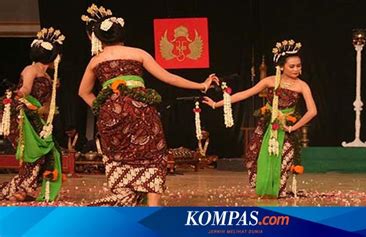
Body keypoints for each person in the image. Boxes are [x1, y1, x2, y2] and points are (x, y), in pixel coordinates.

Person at [78, 4, 218, 206]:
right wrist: (201, 85)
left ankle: (124, 201)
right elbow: (169, 78)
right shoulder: (138, 53)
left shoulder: (95, 60)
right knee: (152, 156)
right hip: (141, 112)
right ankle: (152, 209)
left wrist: (103, 108)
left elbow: (83, 92)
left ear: (99, 38)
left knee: (118, 159)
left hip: (112, 116)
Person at [203, 39, 317, 198]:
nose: (296, 69)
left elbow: (312, 111)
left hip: (287, 128)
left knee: (283, 161)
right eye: (292, 66)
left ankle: (279, 193)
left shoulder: (302, 85)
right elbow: (244, 94)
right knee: (253, 155)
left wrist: (292, 127)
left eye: (299, 66)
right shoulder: (270, 81)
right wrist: (217, 104)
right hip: (267, 125)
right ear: (281, 66)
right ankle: (263, 189)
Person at [0, 27, 65, 202]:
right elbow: (26, 89)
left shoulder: (47, 76)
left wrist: (53, 88)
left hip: (36, 116)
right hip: (24, 115)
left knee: (49, 154)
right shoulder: (31, 69)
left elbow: (46, 103)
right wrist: (19, 93)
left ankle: (24, 188)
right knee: (34, 154)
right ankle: (21, 189)